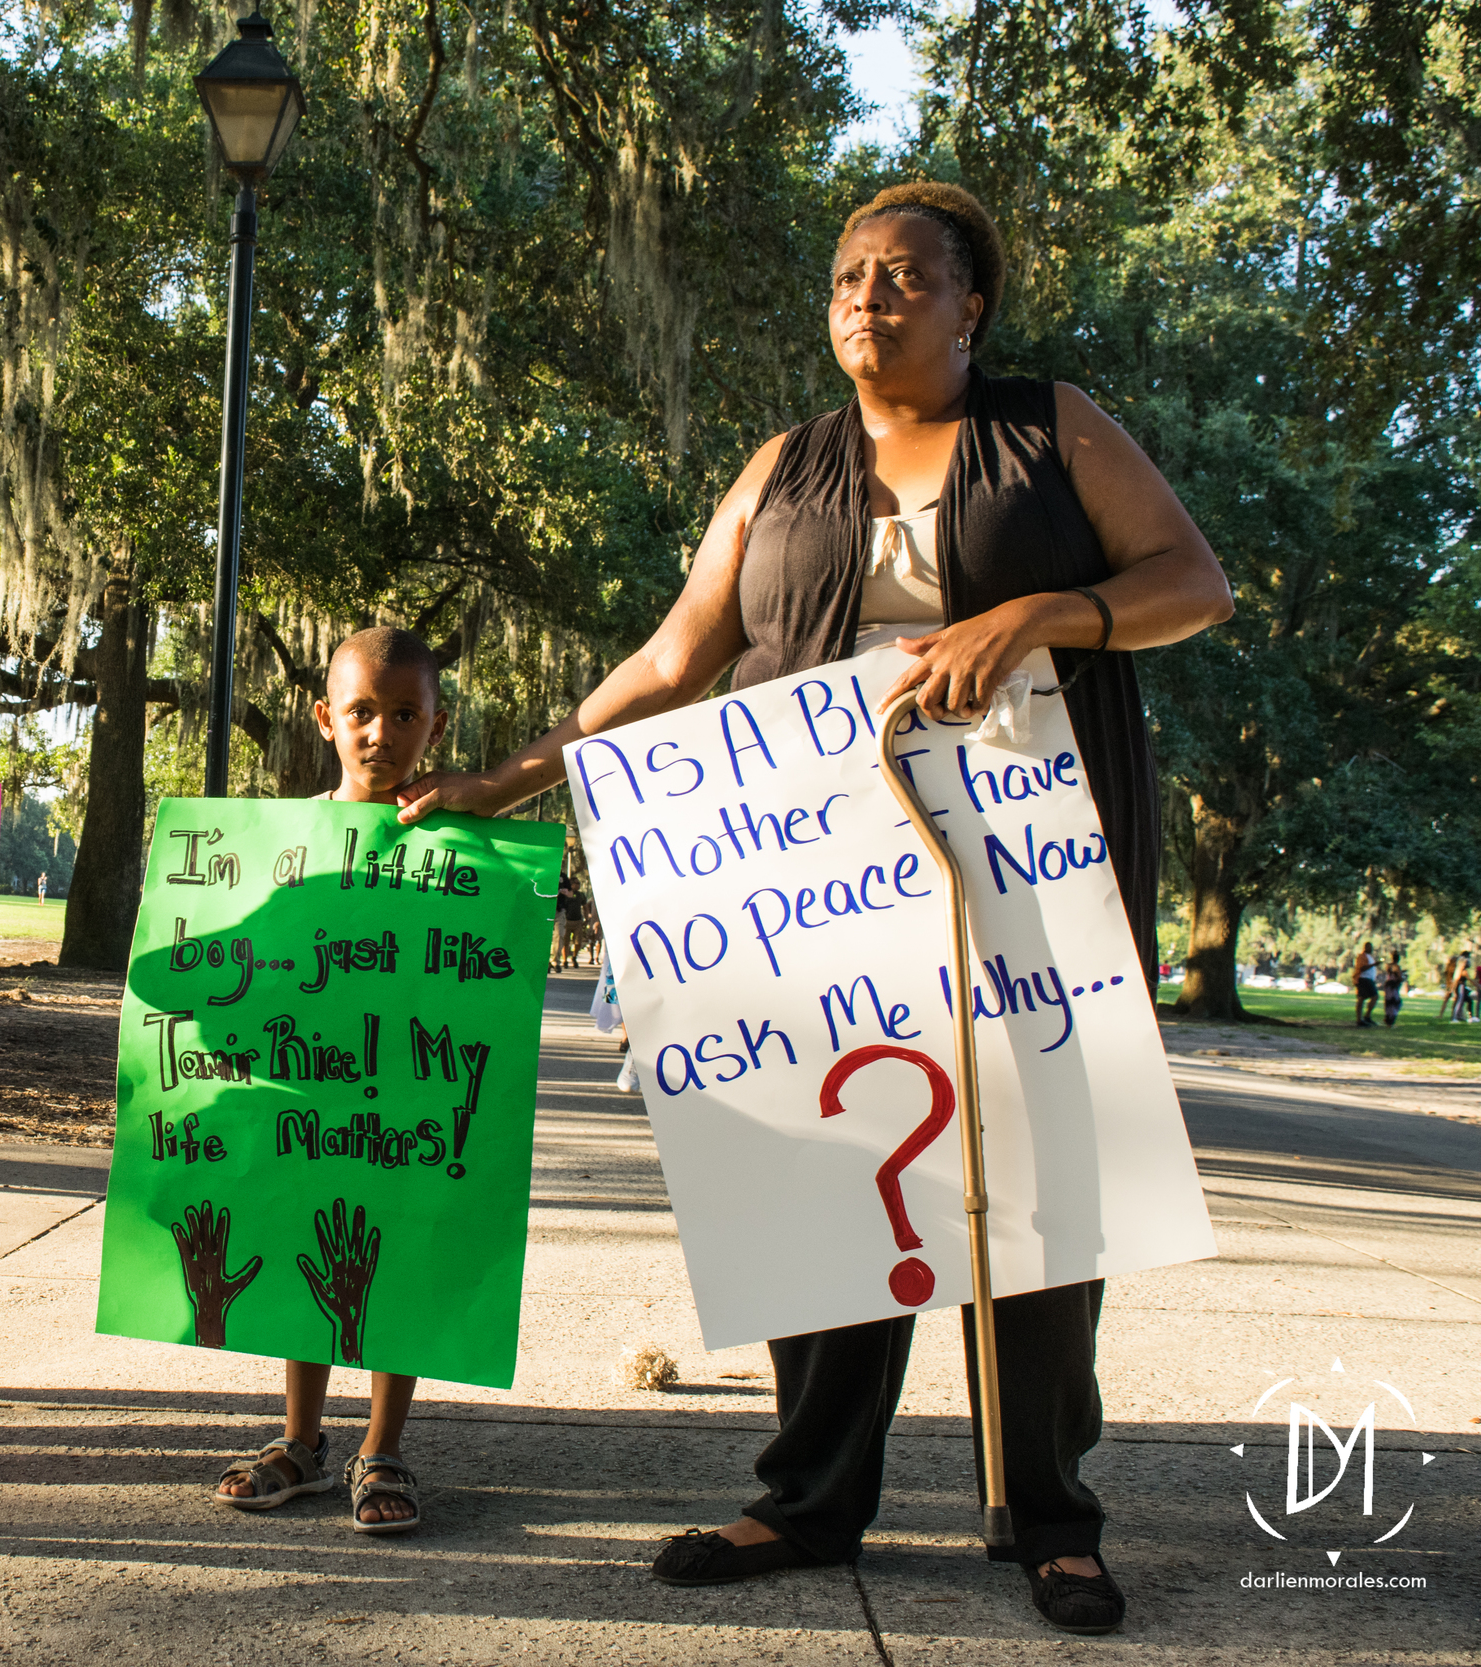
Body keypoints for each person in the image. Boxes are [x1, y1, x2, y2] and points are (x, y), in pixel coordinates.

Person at [397, 182, 1232, 1634]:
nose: (869, 295)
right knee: (829, 1173)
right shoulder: (785, 467)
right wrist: (520, 773)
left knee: (1042, 1187)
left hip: (1028, 871)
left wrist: (1038, 612)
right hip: (820, 881)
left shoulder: (1052, 428)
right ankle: (806, 1497)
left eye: (908, 276)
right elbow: (673, 657)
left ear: (973, 305)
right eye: (850, 274)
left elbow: (1190, 582)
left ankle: (1050, 1514)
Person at [211, 625, 465, 1536]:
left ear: (436, 726)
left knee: (389, 1255)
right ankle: (302, 1440)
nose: (381, 733)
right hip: (305, 1096)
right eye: (362, 712)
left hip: (405, 1101)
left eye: (405, 715)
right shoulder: (287, 839)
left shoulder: (459, 853)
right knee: (302, 1246)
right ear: (325, 718)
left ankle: (382, 1446)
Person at [1353, 942, 1379, 1026]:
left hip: (1369, 979)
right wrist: (1374, 965)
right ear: (1366, 947)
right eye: (1369, 947)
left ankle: (1364, 1017)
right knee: (1373, 996)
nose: (1371, 949)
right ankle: (1363, 1018)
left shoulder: (1370, 957)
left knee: (1363, 998)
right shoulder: (1362, 956)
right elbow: (1362, 968)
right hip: (1364, 979)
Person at [1381, 953, 1406, 1027]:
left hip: (1388, 986)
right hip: (1393, 986)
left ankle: (1388, 1018)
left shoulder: (1388, 966)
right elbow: (1399, 977)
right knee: (1395, 1003)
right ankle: (1391, 1020)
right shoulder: (1397, 967)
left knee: (1388, 1003)